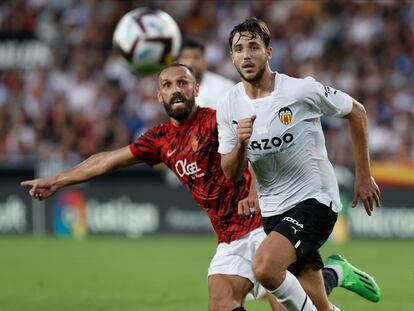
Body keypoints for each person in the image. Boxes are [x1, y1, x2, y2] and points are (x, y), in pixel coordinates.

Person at [22, 64, 379, 311]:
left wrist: (254, 189)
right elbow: (108, 159)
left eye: (182, 83)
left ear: (196, 89)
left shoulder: (217, 118)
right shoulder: (159, 139)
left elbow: (261, 148)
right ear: (158, 95)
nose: (176, 90)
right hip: (228, 238)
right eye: (167, 85)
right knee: (221, 302)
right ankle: (334, 273)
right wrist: (58, 179)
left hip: (265, 223)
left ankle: (333, 273)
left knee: (293, 300)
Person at [216, 18, 381, 311]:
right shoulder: (228, 104)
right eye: (239, 49)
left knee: (265, 267)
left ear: (268, 52)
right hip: (273, 211)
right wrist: (241, 144)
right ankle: (337, 272)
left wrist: (364, 175)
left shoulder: (300, 91)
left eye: (253, 47)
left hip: (316, 200)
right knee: (317, 302)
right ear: (231, 57)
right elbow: (230, 172)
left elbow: (356, 112)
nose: (246, 55)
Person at [177, 38, 235, 109]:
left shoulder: (225, 88)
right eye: (186, 57)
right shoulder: (174, 90)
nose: (190, 63)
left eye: (196, 57)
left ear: (205, 61)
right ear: (178, 62)